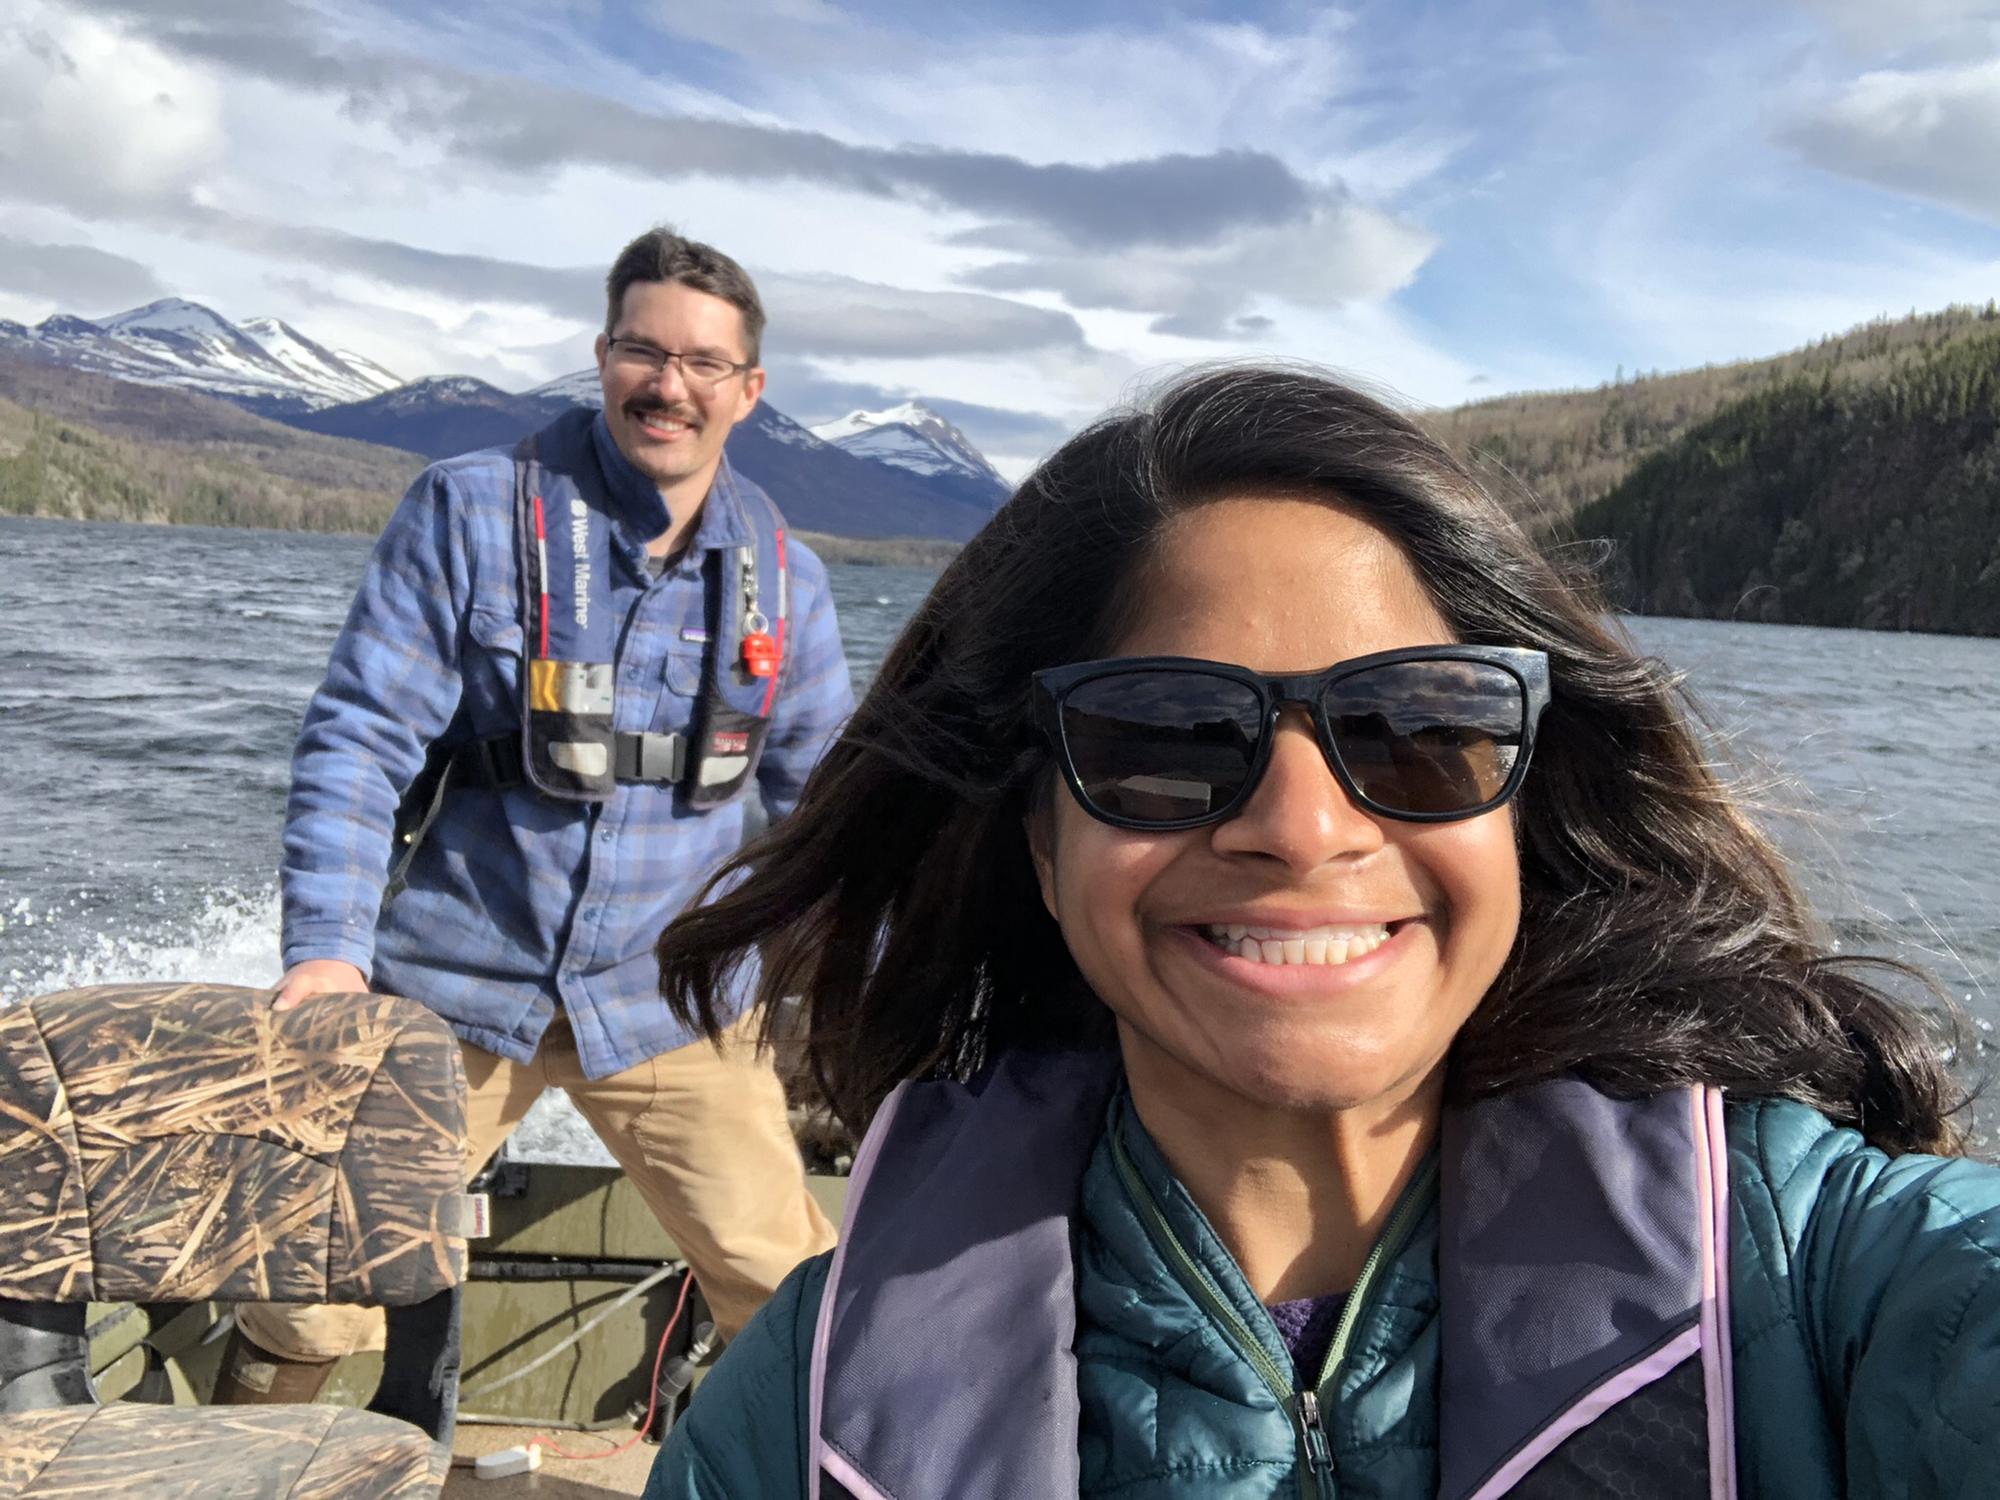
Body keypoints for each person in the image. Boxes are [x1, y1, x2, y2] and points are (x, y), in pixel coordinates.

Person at [642, 365, 2000, 1498]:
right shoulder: (804, 1411)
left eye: (1420, 727)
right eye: (1165, 736)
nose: (1303, 826)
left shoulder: (1814, 1271)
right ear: (1039, 843)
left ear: (1526, 804)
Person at [219, 227, 850, 1402]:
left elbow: (819, 809)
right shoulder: (468, 514)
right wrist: (323, 956)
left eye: (705, 364)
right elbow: (359, 740)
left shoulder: (789, 578)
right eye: (642, 351)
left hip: (673, 1000)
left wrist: (861, 977)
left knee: (793, 1299)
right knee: (308, 1292)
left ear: (747, 391)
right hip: (455, 984)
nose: (670, 386)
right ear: (602, 355)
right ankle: (248, 1470)